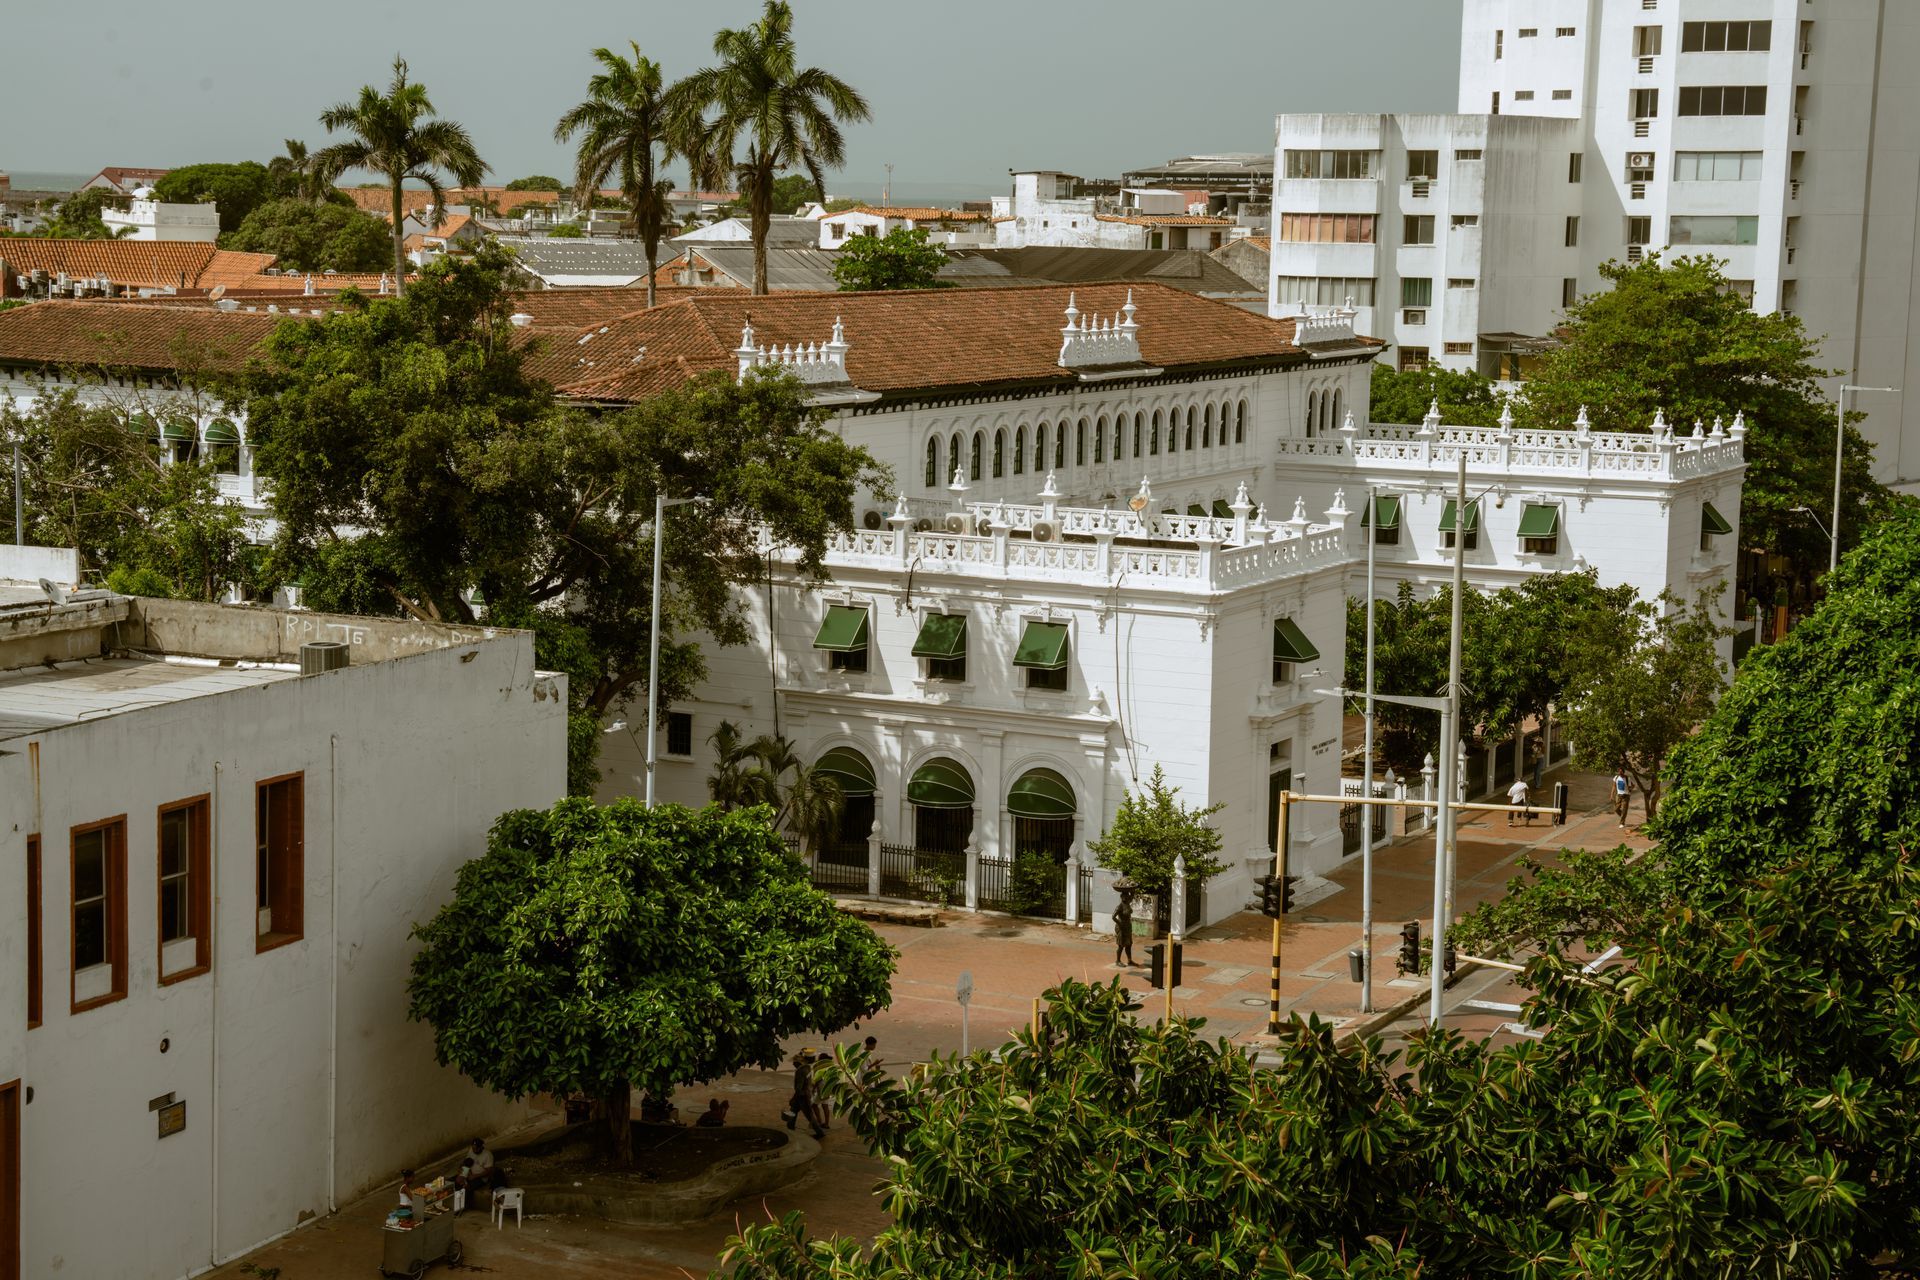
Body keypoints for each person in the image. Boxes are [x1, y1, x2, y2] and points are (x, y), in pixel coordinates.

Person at [1113, 893, 1135, 967]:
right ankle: (1118, 961)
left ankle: (1129, 960)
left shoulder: (1128, 903)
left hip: (1128, 927)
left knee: (1129, 944)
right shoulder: (1119, 906)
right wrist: (1120, 923)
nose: (1125, 898)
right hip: (1121, 927)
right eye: (1123, 896)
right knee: (1121, 945)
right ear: (1121, 897)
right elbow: (1113, 916)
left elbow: (1132, 896)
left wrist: (1132, 889)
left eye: (1126, 896)